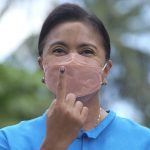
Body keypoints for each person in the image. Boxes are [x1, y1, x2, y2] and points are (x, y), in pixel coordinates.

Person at [0, 3, 150, 150]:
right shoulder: (8, 141)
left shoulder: (144, 141)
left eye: (87, 51)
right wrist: (53, 144)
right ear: (42, 67)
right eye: (59, 50)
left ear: (106, 70)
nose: (73, 61)